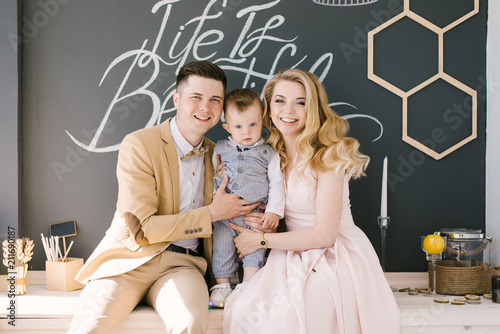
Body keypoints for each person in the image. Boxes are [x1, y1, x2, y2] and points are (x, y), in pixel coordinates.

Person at [67, 61, 260, 334]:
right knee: (88, 326)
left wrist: (259, 216)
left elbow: (239, 206)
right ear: (177, 99)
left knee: (190, 325)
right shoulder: (139, 144)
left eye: (215, 100)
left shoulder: (222, 154)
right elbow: (143, 229)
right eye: (196, 97)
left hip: (185, 266)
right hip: (127, 262)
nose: (205, 107)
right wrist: (212, 214)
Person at [223, 68, 400, 334]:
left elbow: (324, 236)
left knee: (299, 312)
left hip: (336, 254)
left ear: (313, 109)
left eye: (301, 103)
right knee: (250, 311)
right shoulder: (271, 155)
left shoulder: (328, 155)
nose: (289, 111)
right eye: (280, 101)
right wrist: (266, 221)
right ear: (268, 108)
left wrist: (259, 240)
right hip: (289, 253)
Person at [208, 89, 285, 308]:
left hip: (256, 215)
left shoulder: (269, 153)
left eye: (253, 124)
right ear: (227, 127)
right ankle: (222, 285)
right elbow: (212, 180)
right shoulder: (220, 149)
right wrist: (217, 175)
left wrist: (272, 212)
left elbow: (277, 183)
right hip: (224, 216)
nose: (247, 132)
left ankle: (248, 285)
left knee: (255, 249)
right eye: (239, 127)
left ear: (262, 120)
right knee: (222, 247)